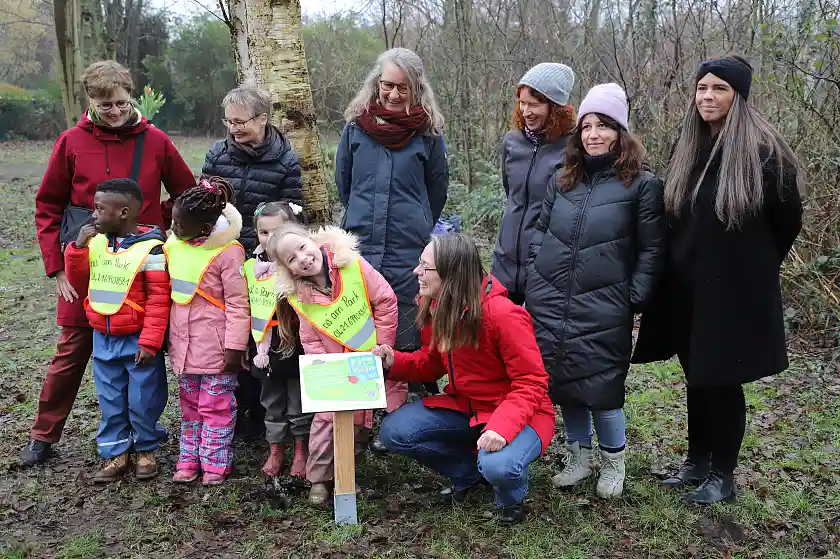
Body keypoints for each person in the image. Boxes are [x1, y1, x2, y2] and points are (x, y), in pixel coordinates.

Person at [632, 55, 804, 504]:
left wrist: (753, 268)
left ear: (738, 96)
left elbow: (787, 222)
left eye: (719, 89)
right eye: (702, 88)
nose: (707, 97)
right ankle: (697, 461)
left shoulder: (766, 154)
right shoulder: (690, 146)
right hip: (686, 287)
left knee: (722, 381)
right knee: (696, 375)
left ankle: (722, 476)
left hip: (733, 292)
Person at [24, 60, 195, 466]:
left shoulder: (155, 141)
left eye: (121, 103)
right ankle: (43, 434)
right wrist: (59, 266)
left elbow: (186, 193)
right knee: (71, 349)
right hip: (86, 268)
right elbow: (47, 204)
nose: (115, 113)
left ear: (132, 96)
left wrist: (156, 223)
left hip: (141, 271)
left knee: (148, 353)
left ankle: (149, 434)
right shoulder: (71, 141)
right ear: (91, 102)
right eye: (105, 106)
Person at [526, 83, 665, 499]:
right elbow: (540, 231)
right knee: (565, 384)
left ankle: (612, 463)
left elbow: (653, 248)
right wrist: (537, 276)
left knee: (603, 390)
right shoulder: (563, 179)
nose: (593, 134)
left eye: (603, 126)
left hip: (605, 305)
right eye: (587, 126)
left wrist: (632, 296)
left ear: (620, 132)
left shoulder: (641, 185)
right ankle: (578, 457)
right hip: (551, 301)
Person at [373, 234, 556, 525]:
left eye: (425, 266)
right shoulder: (437, 303)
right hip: (467, 407)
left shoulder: (503, 315)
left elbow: (532, 382)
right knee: (396, 432)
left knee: (499, 465)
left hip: (520, 413)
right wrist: (394, 361)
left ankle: (510, 499)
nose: (416, 272)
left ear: (451, 272)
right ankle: (469, 473)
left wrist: (502, 428)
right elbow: (432, 362)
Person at [336, 47, 449, 408]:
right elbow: (345, 181)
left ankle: (401, 397)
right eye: (388, 85)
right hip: (362, 239)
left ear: (417, 88)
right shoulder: (356, 126)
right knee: (360, 310)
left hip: (407, 243)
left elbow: (437, 189)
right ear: (376, 83)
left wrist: (415, 222)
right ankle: (360, 403)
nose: (394, 94)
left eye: (404, 87)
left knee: (406, 313)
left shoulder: (429, 133)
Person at [265, 224, 407, 505]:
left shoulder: (353, 264)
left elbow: (386, 301)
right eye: (292, 259)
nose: (303, 258)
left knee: (360, 423)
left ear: (314, 241)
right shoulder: (299, 297)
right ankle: (318, 478)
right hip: (336, 367)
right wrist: (327, 366)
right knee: (325, 422)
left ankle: (345, 475)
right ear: (289, 269)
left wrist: (384, 343)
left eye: (303, 248)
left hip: (373, 358)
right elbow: (309, 335)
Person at [203, 85, 304, 443]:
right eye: (229, 121)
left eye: (241, 121)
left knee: (263, 335)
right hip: (224, 258)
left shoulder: (285, 161)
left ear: (263, 119)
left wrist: (269, 254)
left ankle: (267, 414)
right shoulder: (218, 154)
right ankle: (236, 409)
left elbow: (292, 215)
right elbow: (206, 203)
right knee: (233, 333)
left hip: (264, 263)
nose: (234, 128)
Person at [64, 179, 170, 482]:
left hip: (138, 340)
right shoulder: (95, 242)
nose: (93, 214)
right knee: (110, 398)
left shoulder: (152, 250)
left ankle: (146, 449)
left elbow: (159, 299)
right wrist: (78, 248)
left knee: (143, 398)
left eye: (99, 209)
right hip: (103, 338)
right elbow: (80, 278)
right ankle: (115, 453)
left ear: (123, 213)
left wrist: (150, 342)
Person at [164, 178, 250, 486]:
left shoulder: (229, 253)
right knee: (189, 407)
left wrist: (235, 348)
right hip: (184, 348)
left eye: (180, 223)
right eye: (173, 220)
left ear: (203, 229)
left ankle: (215, 462)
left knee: (216, 407)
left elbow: (239, 305)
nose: (173, 227)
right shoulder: (174, 246)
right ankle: (189, 459)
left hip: (216, 349)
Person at [491, 63, 577, 305]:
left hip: (545, 269)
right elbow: (512, 194)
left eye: (535, 104)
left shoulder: (572, 149)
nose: (526, 111)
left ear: (555, 106)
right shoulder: (511, 142)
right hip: (504, 266)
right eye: (522, 103)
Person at [245, 201, 313, 478]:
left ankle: (301, 448)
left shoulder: (300, 266)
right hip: (264, 345)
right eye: (263, 232)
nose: (270, 238)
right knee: (271, 400)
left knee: (297, 399)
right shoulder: (252, 267)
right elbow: (243, 306)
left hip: (295, 344)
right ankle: (275, 449)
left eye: (277, 231)